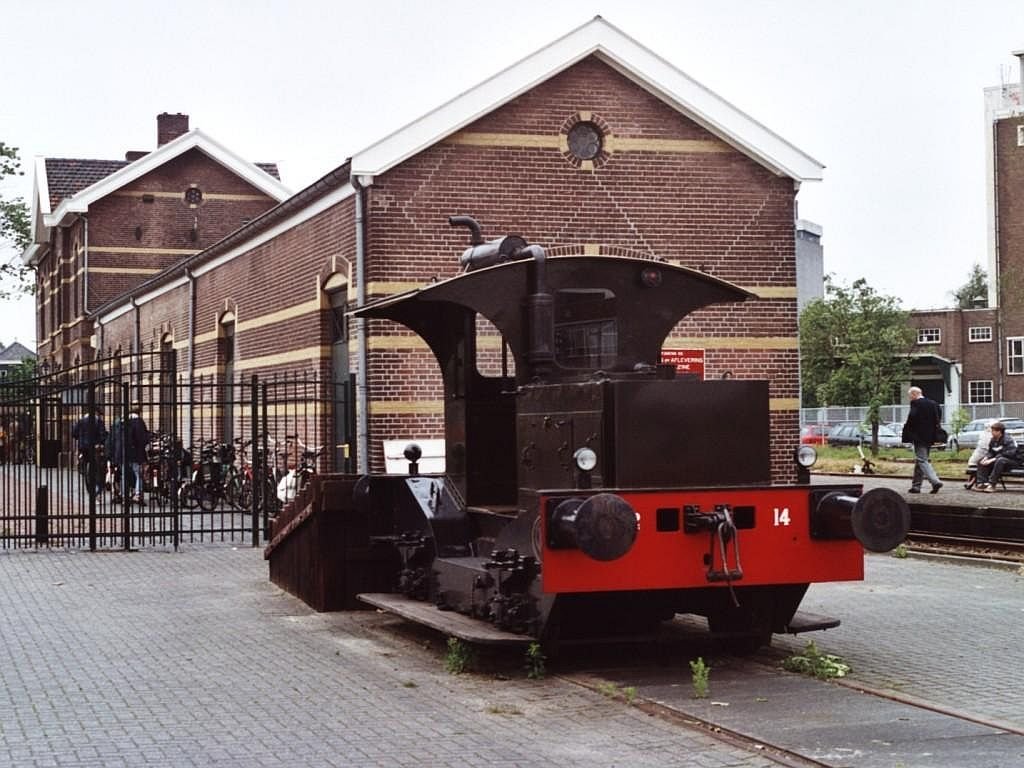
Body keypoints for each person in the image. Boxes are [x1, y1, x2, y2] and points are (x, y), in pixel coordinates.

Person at [901, 386, 943, 494]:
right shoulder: (934, 403)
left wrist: (907, 433)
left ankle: (935, 481)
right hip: (931, 437)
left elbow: (912, 419)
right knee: (920, 460)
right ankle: (916, 486)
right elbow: (938, 417)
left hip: (919, 437)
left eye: (910, 396)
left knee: (922, 460)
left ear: (914, 394)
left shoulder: (916, 404)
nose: (910, 398)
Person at [974, 421, 1020, 492]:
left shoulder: (1008, 440)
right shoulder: (993, 440)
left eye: (993, 431)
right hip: (998, 461)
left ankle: (992, 485)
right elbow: (991, 452)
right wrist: (986, 458)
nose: (992, 432)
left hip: (1012, 462)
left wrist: (993, 459)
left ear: (999, 431)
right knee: (981, 461)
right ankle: (982, 483)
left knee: (1000, 460)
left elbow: (1009, 454)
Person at [72, 407, 108, 496]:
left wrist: (80, 438)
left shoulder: (81, 421)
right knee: (97, 468)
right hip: (94, 448)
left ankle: (89, 487)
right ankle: (97, 488)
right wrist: (101, 443)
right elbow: (102, 435)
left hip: (83, 448)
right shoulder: (98, 421)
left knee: (86, 468)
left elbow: (74, 433)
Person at [125, 404, 150, 505]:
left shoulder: (124, 421)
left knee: (125, 474)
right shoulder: (139, 422)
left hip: (124, 453)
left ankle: (124, 495)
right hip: (136, 453)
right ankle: (137, 494)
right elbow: (142, 438)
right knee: (138, 474)